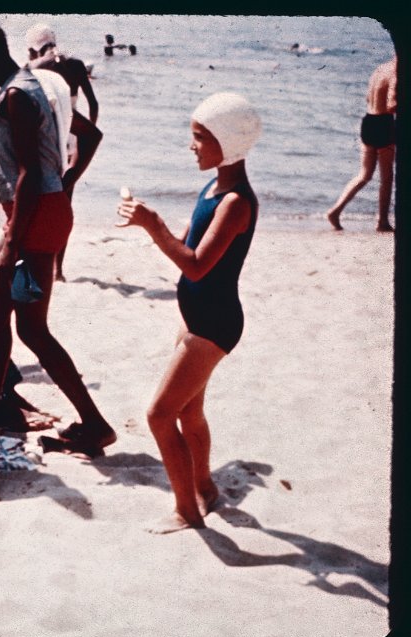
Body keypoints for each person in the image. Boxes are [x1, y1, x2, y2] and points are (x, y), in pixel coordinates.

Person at [0, 17, 115, 456]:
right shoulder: (24, 87)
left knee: (32, 329)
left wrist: (10, 243)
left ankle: (94, 424)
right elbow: (74, 146)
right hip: (38, 213)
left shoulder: (17, 96)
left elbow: (27, 176)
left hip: (35, 219)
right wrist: (65, 183)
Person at [115, 92, 262, 533]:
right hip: (197, 319)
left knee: (159, 414)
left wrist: (152, 224)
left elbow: (197, 263)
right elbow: (186, 248)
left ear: (228, 141)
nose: (191, 145)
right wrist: (152, 226)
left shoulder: (236, 201)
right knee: (188, 413)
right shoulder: (213, 187)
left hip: (214, 324)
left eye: (200, 137)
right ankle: (205, 489)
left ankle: (186, 510)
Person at [24, 22, 102, 282]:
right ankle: (58, 270)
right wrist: (87, 133)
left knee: (38, 200)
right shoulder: (76, 65)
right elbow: (93, 104)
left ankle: (38, 260)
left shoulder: (37, 67)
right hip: (74, 138)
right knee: (65, 203)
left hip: (49, 138)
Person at [326, 56, 397, 232]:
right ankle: (382, 222)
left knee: (364, 174)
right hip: (384, 123)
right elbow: (392, 105)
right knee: (386, 178)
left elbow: (368, 98)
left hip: (368, 120)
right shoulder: (397, 73)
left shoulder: (380, 69)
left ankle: (335, 211)